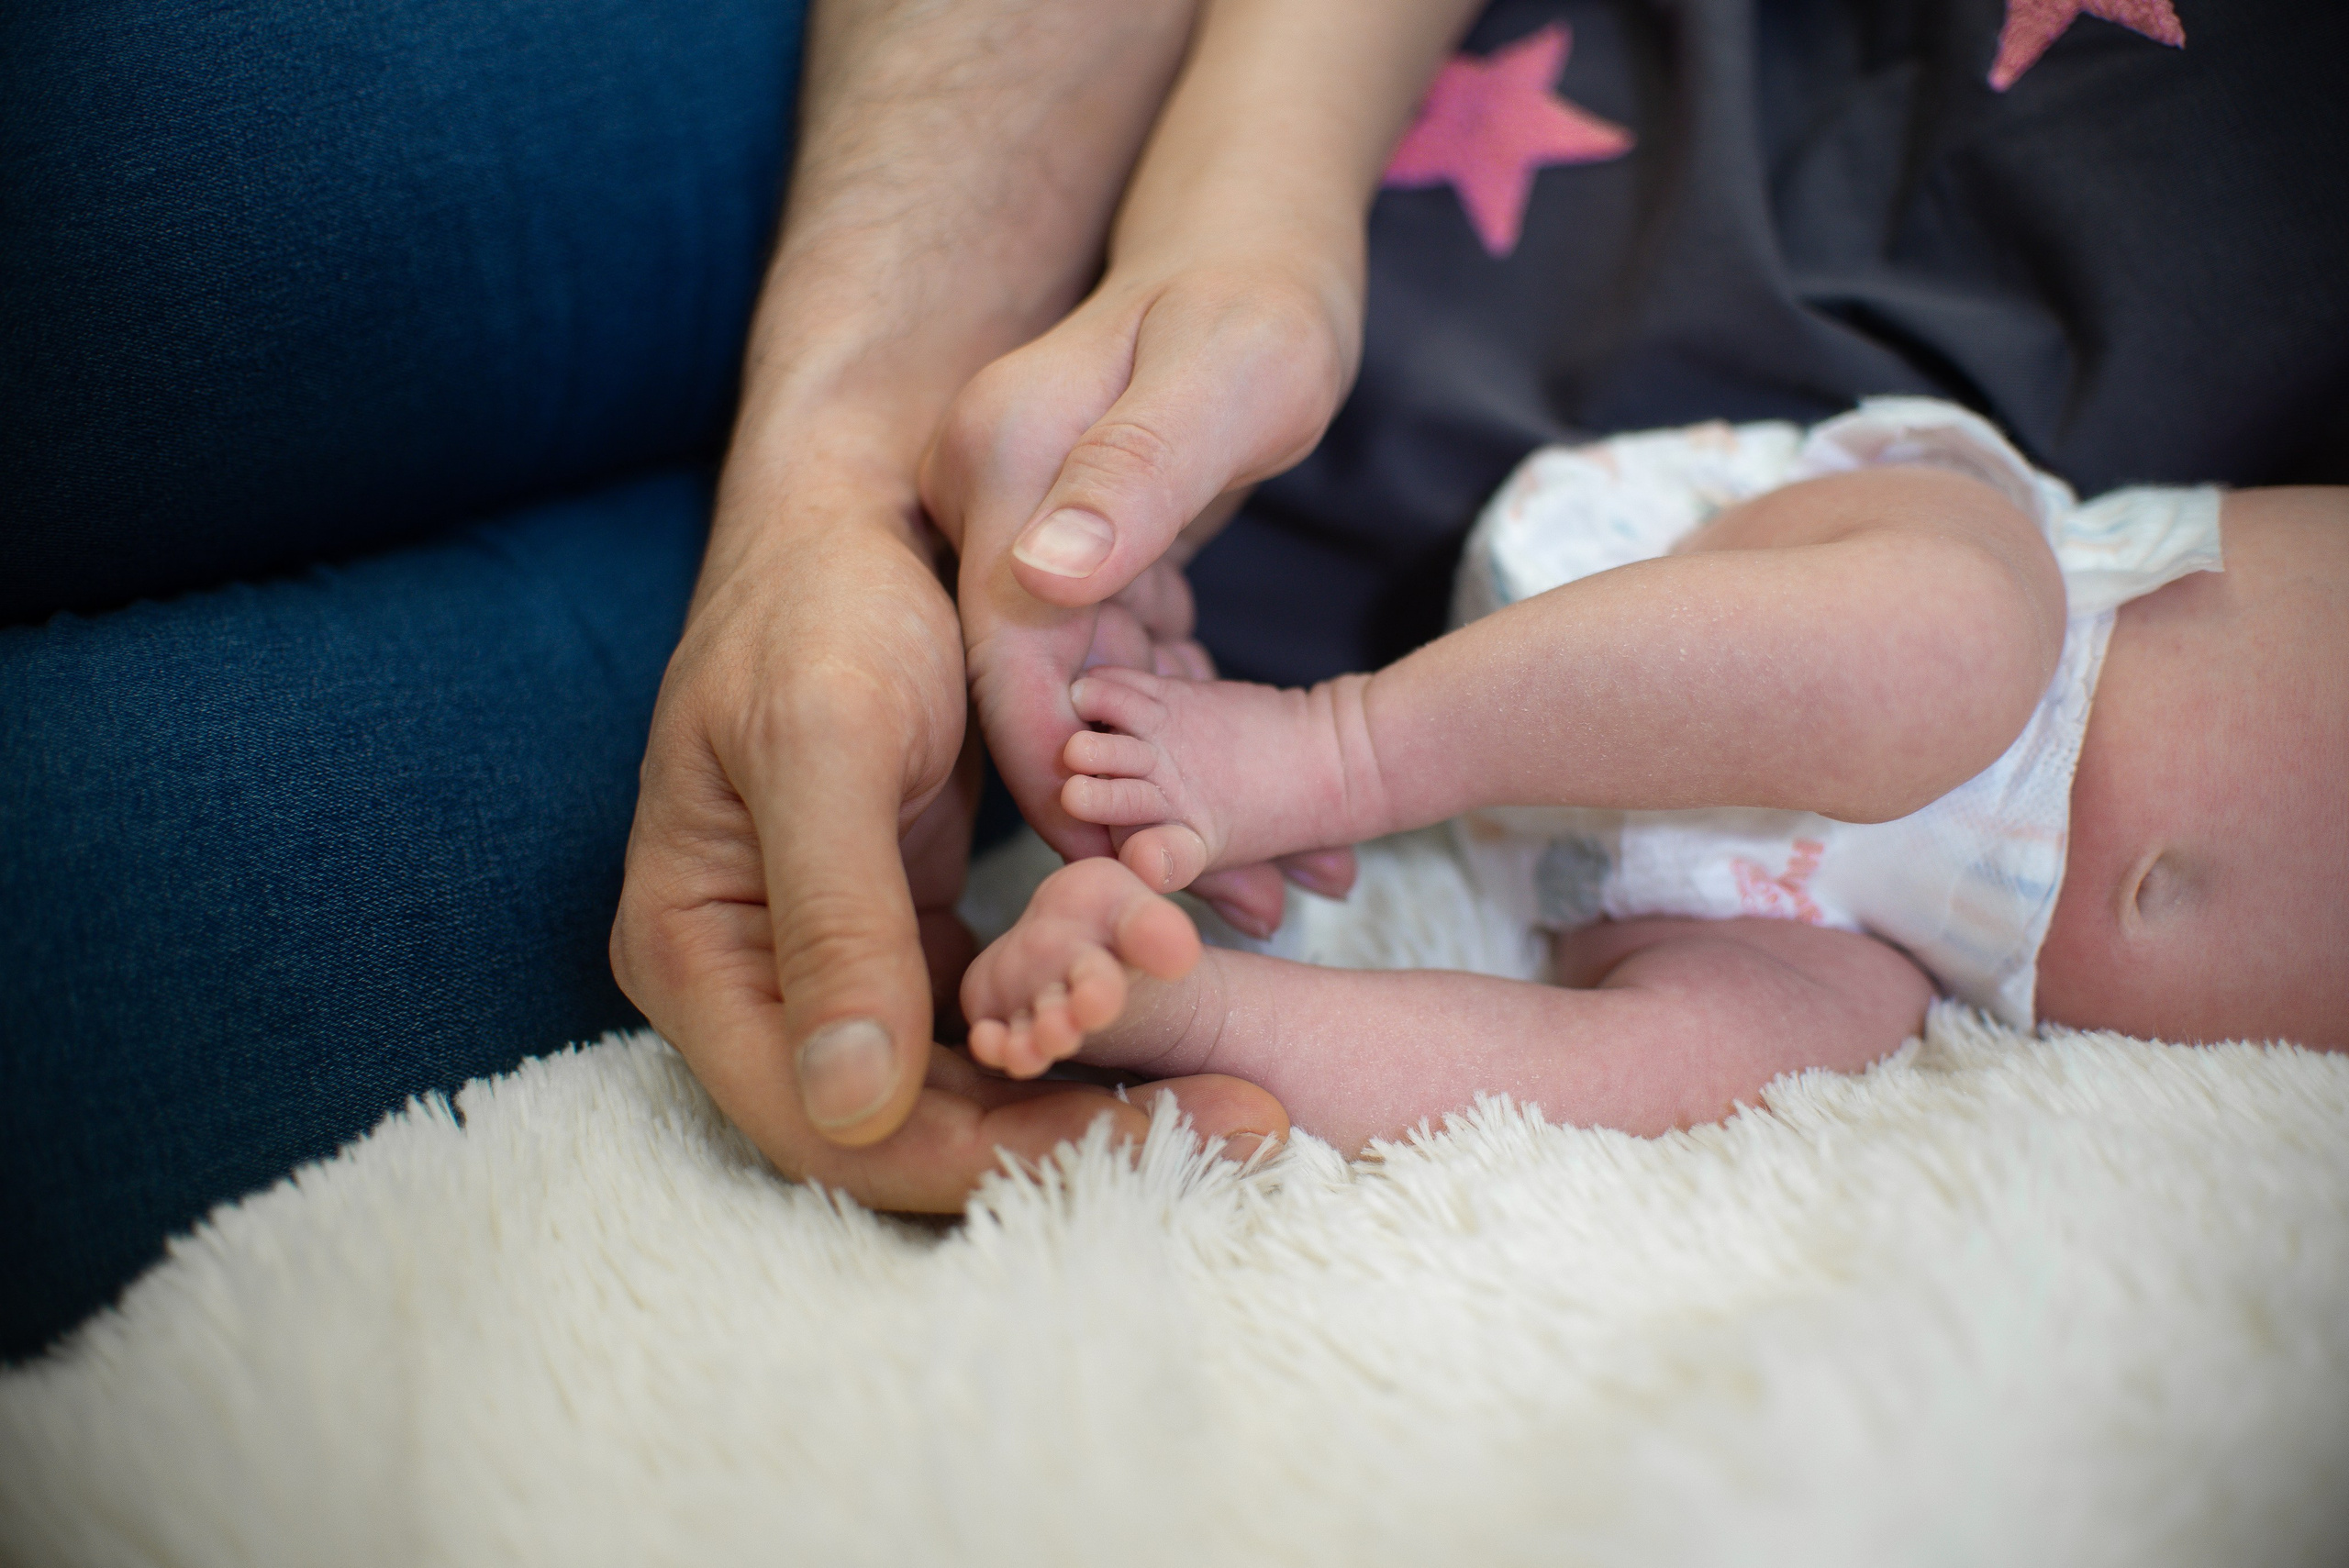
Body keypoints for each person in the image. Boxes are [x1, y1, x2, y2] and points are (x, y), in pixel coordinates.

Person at [7, 0, 2344, 1361]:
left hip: (1567, 843)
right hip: (1106, 142)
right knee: (169, 180)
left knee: (106, 957)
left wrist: (1174, 994)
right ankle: (1315, 752)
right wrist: (1201, 242)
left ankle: (1194, 996)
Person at [958, 403, 2348, 1151]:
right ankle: (1333, 747)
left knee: (1706, 1075)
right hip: (1942, 618)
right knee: (1948, 649)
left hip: (1872, 934)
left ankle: (1186, 1005)